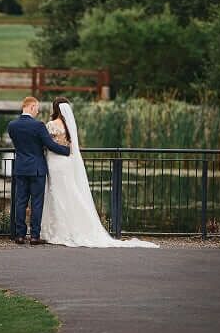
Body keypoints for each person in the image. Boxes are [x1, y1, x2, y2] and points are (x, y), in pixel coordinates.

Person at [41, 97, 159, 248]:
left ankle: (58, 230)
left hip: (55, 162)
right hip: (67, 163)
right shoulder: (70, 125)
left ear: (54, 108)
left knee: (56, 194)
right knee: (69, 193)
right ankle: (76, 227)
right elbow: (71, 145)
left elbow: (48, 143)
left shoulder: (51, 124)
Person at [7, 96, 70, 245]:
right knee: (36, 203)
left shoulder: (12, 125)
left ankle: (20, 236)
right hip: (37, 169)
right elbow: (50, 145)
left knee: (20, 202)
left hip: (21, 168)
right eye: (37, 108)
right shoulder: (38, 126)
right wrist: (68, 151)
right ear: (31, 106)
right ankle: (34, 236)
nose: (38, 111)